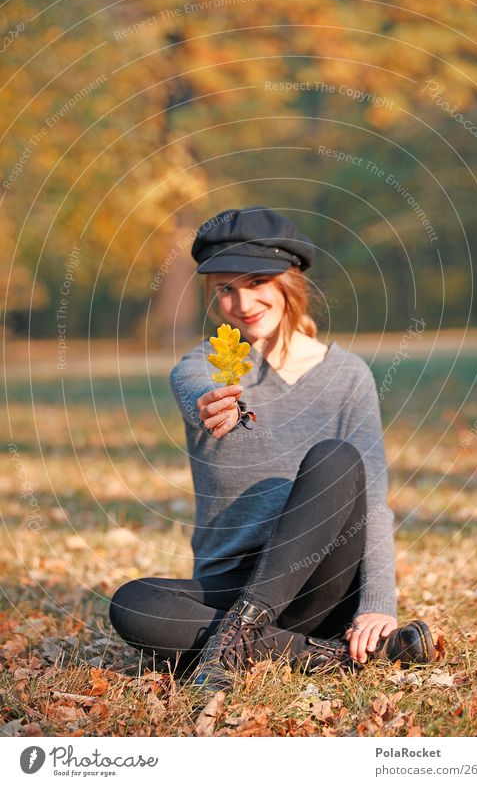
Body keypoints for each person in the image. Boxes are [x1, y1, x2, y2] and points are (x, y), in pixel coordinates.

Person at [109, 206, 436, 693]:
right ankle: (314, 654)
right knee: (133, 603)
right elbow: (194, 388)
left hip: (319, 582)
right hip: (232, 582)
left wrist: (377, 605)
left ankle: (237, 639)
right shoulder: (201, 368)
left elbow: (375, 504)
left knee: (335, 458)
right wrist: (209, 405)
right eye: (225, 287)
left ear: (290, 280)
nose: (241, 302)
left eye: (257, 280)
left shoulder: (348, 377)